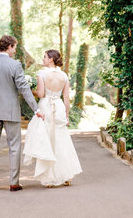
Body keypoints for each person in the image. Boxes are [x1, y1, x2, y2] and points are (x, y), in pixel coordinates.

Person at [0, 35, 43, 193]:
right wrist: (36, 109)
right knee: (14, 147)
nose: (15, 50)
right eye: (14, 47)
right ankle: (14, 183)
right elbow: (24, 88)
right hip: (11, 111)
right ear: (10, 46)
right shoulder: (15, 65)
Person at [23, 49, 82, 187]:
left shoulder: (42, 74)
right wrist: (66, 115)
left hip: (46, 107)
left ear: (51, 59)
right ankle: (66, 175)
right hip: (59, 107)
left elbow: (41, 93)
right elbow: (66, 98)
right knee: (61, 139)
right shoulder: (64, 76)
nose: (43, 59)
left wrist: (30, 90)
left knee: (47, 139)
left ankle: (48, 178)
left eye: (44, 57)